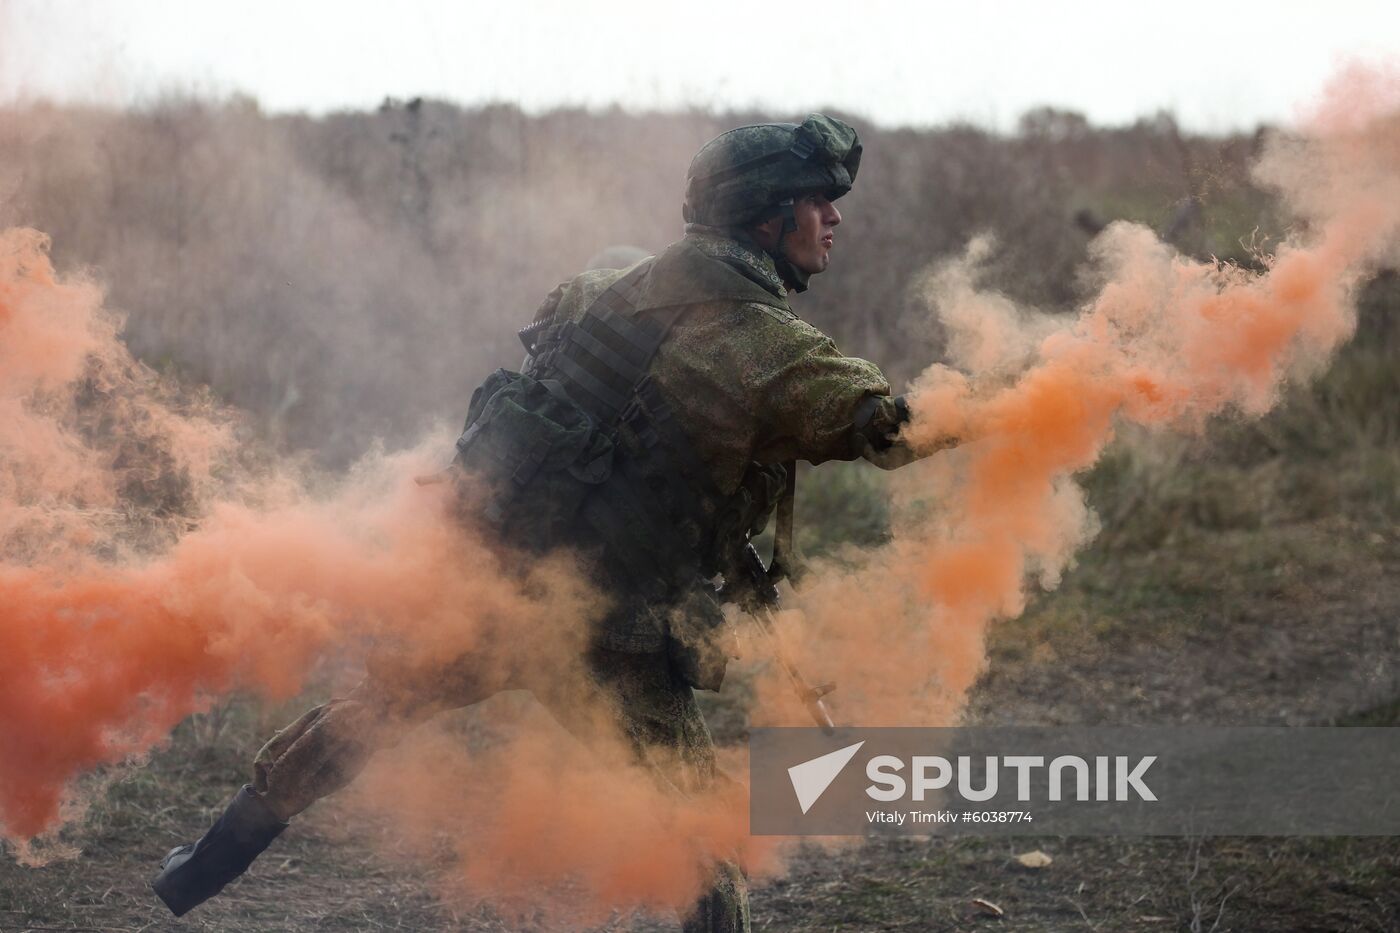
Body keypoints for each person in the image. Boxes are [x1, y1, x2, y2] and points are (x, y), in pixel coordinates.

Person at [152, 113, 953, 932]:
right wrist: (1036, 401)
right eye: (818, 200)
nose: (835, 218)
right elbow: (889, 431)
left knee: (355, 723)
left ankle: (198, 870)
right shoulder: (765, 345)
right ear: (765, 213)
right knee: (700, 846)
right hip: (610, 632)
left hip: (502, 579)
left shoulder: (599, 288)